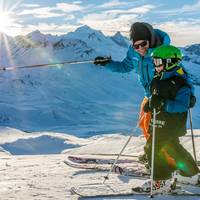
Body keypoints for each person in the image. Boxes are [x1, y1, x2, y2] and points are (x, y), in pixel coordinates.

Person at [94, 22, 171, 161]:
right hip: (149, 96)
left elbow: (176, 74)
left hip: (163, 98)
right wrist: (107, 63)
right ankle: (154, 155)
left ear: (151, 40)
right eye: (136, 45)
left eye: (143, 44)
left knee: (159, 130)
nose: (140, 48)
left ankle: (165, 161)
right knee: (145, 125)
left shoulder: (164, 52)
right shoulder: (133, 52)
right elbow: (124, 66)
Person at [135, 45, 199, 193]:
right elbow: (156, 94)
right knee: (172, 147)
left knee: (152, 148)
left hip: (170, 123)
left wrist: (163, 103)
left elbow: (182, 105)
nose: (155, 65)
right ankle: (190, 174)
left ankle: (160, 180)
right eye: (154, 61)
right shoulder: (161, 76)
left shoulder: (179, 82)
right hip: (160, 121)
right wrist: (151, 104)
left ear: (170, 62)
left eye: (158, 62)